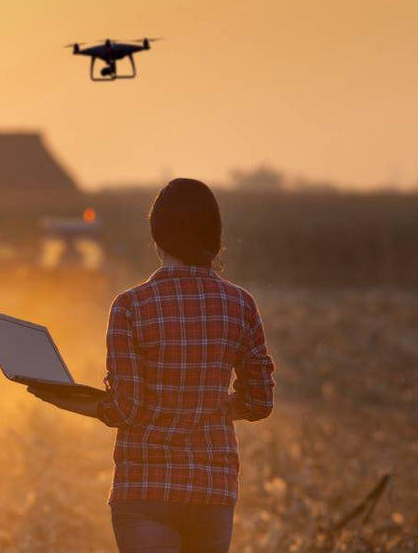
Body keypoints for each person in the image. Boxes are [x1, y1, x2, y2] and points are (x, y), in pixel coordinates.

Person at [30, 178, 275, 553]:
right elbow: (259, 402)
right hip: (212, 487)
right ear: (213, 234)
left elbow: (125, 407)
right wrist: (214, 407)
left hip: (145, 487)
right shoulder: (241, 305)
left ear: (156, 234)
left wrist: (62, 396)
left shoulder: (131, 306)